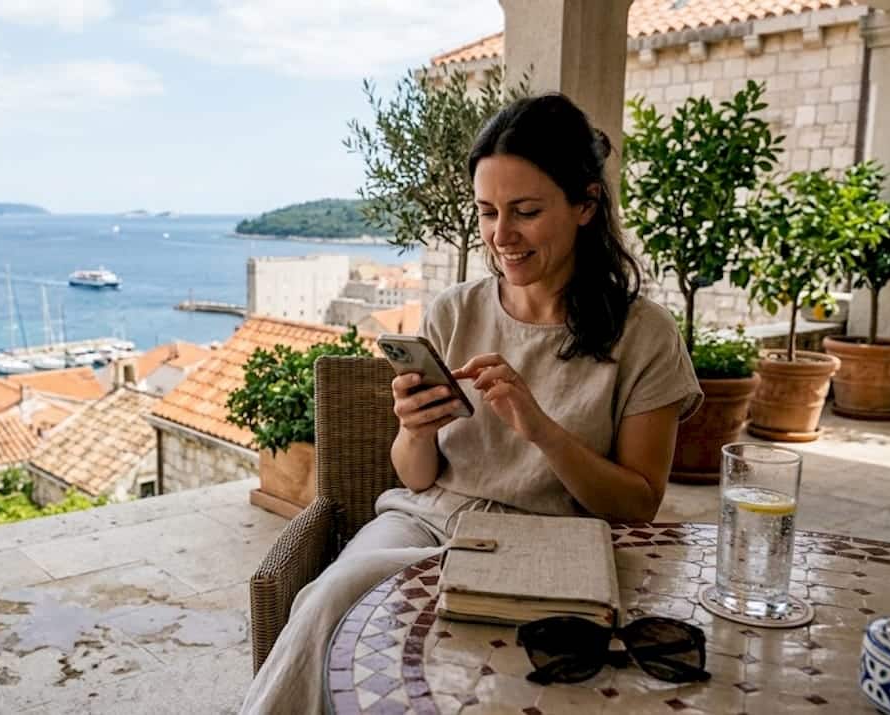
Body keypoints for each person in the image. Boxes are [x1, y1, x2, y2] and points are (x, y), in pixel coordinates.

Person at [239, 93, 702, 714]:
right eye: (487, 212)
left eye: (526, 211)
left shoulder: (642, 335)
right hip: (424, 520)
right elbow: (417, 476)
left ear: (586, 204)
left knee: (361, 602)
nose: (500, 236)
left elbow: (639, 504)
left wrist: (541, 429)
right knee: (331, 598)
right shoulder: (455, 311)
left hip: (545, 545)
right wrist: (415, 429)